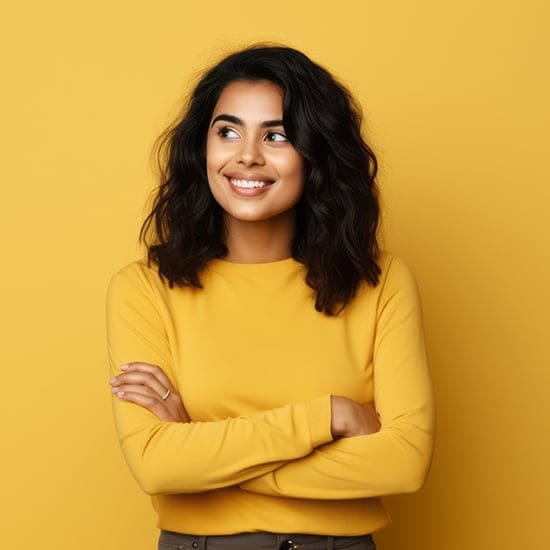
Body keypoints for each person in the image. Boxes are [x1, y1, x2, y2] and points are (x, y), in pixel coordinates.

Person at [107, 45, 434, 550]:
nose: (247, 156)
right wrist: (326, 416)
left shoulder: (380, 282)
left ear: (316, 153)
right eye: (228, 131)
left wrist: (203, 451)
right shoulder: (145, 288)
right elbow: (156, 465)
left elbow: (404, 462)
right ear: (203, 148)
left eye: (277, 135)